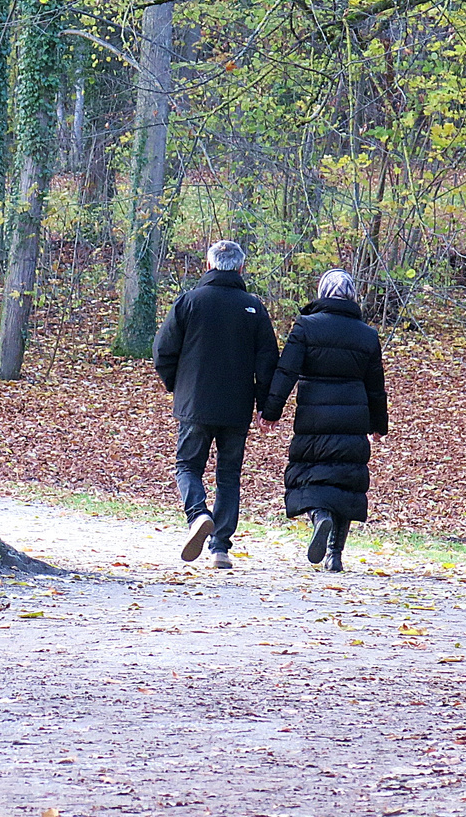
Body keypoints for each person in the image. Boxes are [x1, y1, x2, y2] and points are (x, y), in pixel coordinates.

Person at [153, 240, 279, 568]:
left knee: (187, 466)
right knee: (228, 475)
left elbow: (162, 351)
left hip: (194, 403)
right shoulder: (253, 307)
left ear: (208, 266)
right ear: (240, 269)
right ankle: (220, 548)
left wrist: (177, 386)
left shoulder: (189, 302)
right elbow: (268, 361)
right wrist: (266, 406)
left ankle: (197, 515)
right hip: (237, 408)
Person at [259, 269, 387, 572]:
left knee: (309, 472)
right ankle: (334, 555)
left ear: (322, 293)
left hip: (313, 414)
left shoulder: (306, 326)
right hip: (354, 416)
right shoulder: (367, 335)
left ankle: (319, 516)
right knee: (345, 481)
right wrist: (378, 425)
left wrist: (271, 410)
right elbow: (376, 385)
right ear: (352, 296)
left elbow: (286, 371)